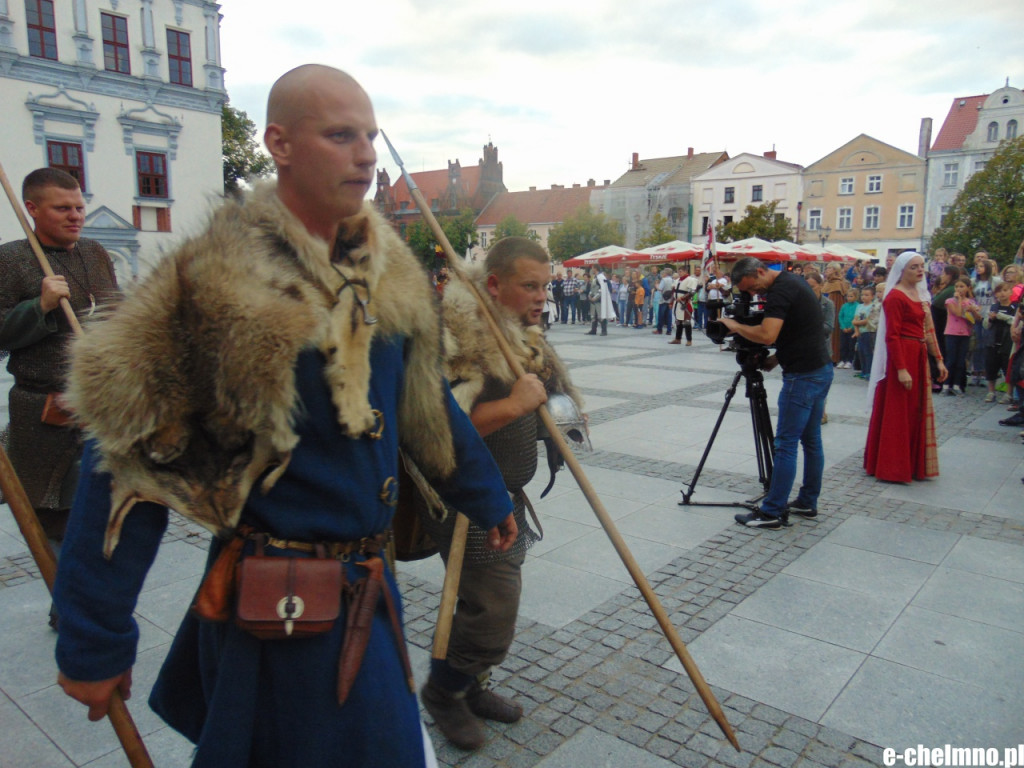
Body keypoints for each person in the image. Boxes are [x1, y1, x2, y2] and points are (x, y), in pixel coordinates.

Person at [52, 64, 518, 768]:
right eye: (340, 135)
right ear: (280, 144)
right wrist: (94, 640)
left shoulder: (387, 271)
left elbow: (422, 404)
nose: (365, 155)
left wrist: (484, 495)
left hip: (367, 587)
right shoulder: (213, 282)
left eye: (370, 136)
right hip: (278, 607)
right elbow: (127, 467)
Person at [419, 237, 583, 751]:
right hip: (467, 499)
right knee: (493, 606)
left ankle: (471, 685)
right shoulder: (461, 338)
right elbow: (438, 431)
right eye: (529, 286)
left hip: (504, 496)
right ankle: (445, 691)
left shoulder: (518, 332)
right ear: (493, 284)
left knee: (482, 600)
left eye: (545, 286)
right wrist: (514, 405)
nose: (541, 296)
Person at [0, 168, 120, 625]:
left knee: (103, 510)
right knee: (56, 517)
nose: (75, 216)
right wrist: (40, 306)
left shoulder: (95, 253)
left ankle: (81, 603)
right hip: (43, 414)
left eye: (79, 208)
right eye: (62, 208)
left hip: (98, 406)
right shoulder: (11, 260)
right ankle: (67, 607)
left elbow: (116, 312)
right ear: (31, 209)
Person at [719, 258, 833, 529]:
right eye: (747, 292)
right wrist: (777, 358)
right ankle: (807, 501)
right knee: (811, 441)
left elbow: (768, 335)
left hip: (802, 377)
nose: (753, 293)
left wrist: (734, 325)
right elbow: (804, 331)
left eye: (752, 287)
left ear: (760, 271)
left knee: (785, 444)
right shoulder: (793, 283)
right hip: (820, 369)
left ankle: (771, 511)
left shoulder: (781, 290)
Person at [864, 252, 948, 483]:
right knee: (899, 410)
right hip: (902, 356)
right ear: (902, 271)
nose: (920, 270)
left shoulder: (921, 294)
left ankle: (912, 463)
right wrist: (901, 368)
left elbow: (928, 331)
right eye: (914, 267)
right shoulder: (895, 297)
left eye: (921, 266)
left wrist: (938, 359)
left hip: (918, 355)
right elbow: (892, 336)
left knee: (915, 409)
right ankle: (893, 466)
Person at [943, 278, 980, 397]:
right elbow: (958, 313)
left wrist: (973, 311)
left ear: (968, 288)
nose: (959, 289)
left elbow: (978, 318)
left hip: (965, 333)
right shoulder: (949, 301)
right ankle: (946, 384)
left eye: (962, 286)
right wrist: (959, 300)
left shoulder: (971, 302)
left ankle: (957, 385)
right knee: (951, 360)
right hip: (951, 333)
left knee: (961, 360)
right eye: (957, 286)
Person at [982, 281, 1016, 403]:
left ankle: (1009, 394)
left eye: (1005, 290)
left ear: (1011, 292)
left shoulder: (1014, 307)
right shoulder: (993, 307)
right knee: (991, 367)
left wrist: (1004, 317)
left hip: (1008, 342)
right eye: (999, 291)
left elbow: (1016, 322)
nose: (1002, 293)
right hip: (993, 342)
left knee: (1008, 368)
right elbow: (985, 325)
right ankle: (991, 392)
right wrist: (990, 319)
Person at [852, 285, 880, 380]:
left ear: (872, 296)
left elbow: (868, 320)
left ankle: (869, 372)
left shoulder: (872, 307)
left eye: (867, 295)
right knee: (861, 352)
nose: (864, 297)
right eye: (862, 295)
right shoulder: (859, 306)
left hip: (869, 332)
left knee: (868, 352)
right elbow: (855, 319)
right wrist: (856, 331)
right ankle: (863, 371)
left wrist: (856, 322)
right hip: (860, 332)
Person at [669, 269, 699, 346]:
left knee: (687, 322)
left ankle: (689, 340)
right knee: (678, 322)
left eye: (681, 271)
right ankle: (678, 339)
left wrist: (682, 298)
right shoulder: (677, 280)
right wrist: (671, 302)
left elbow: (692, 292)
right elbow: (674, 292)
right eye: (678, 271)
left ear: (686, 272)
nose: (679, 273)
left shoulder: (691, 280)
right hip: (677, 304)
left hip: (685, 304)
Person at [586, 268, 615, 336]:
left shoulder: (601, 277)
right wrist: (590, 295)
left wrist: (595, 298)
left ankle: (604, 331)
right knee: (594, 316)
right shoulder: (595, 277)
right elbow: (592, 288)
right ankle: (593, 329)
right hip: (593, 300)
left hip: (600, 300)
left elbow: (603, 289)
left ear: (595, 269)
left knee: (601, 315)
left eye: (593, 268)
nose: (592, 270)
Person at [838, 288, 859, 369]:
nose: (849, 298)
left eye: (851, 296)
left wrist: (852, 327)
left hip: (852, 329)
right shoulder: (844, 306)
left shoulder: (858, 306)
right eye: (848, 296)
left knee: (851, 345)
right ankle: (842, 360)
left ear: (856, 297)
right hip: (844, 329)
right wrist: (843, 327)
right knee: (843, 345)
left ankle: (849, 361)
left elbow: (857, 317)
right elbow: (840, 316)